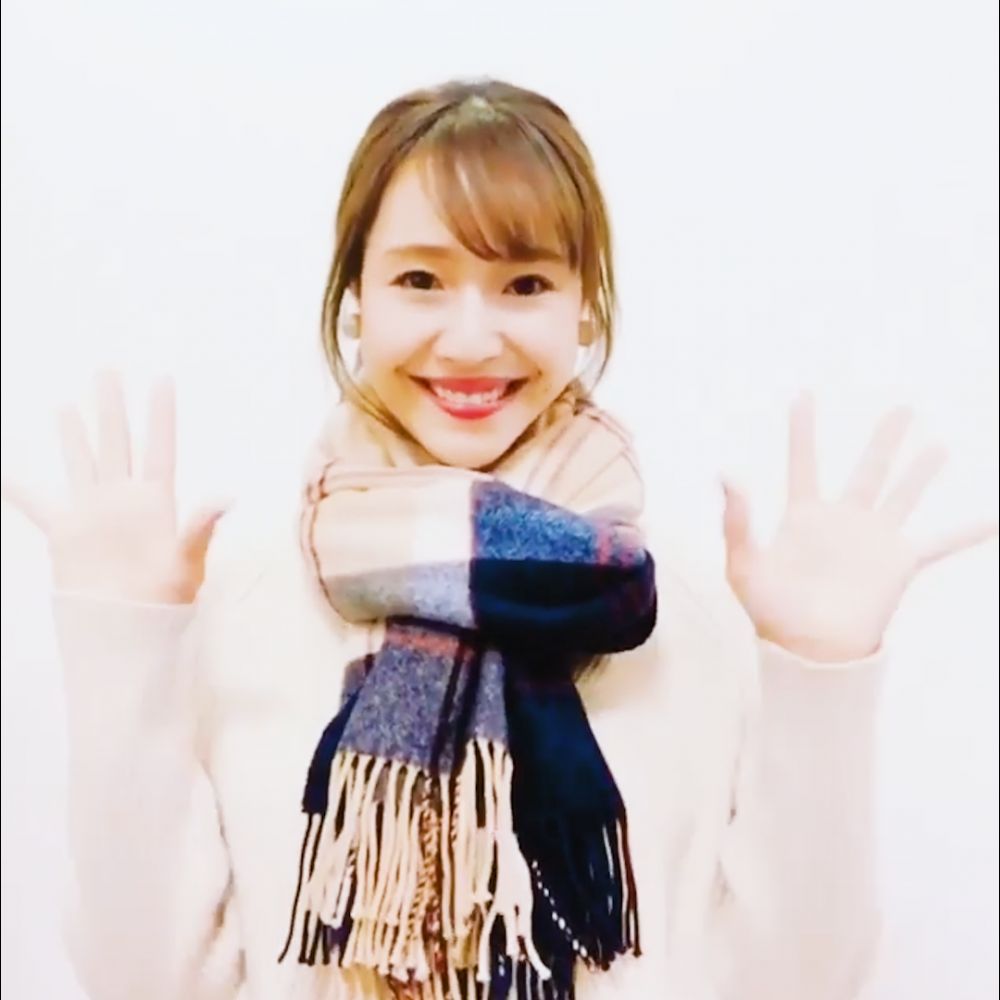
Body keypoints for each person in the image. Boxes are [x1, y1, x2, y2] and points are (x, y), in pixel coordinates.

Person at [3, 77, 996, 1000]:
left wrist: (819, 669)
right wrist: (120, 641)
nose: (473, 339)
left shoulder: (684, 611)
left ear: (583, 307)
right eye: (421, 279)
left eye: (523, 284)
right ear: (355, 302)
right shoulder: (244, 599)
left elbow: (799, 984)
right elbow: (143, 979)